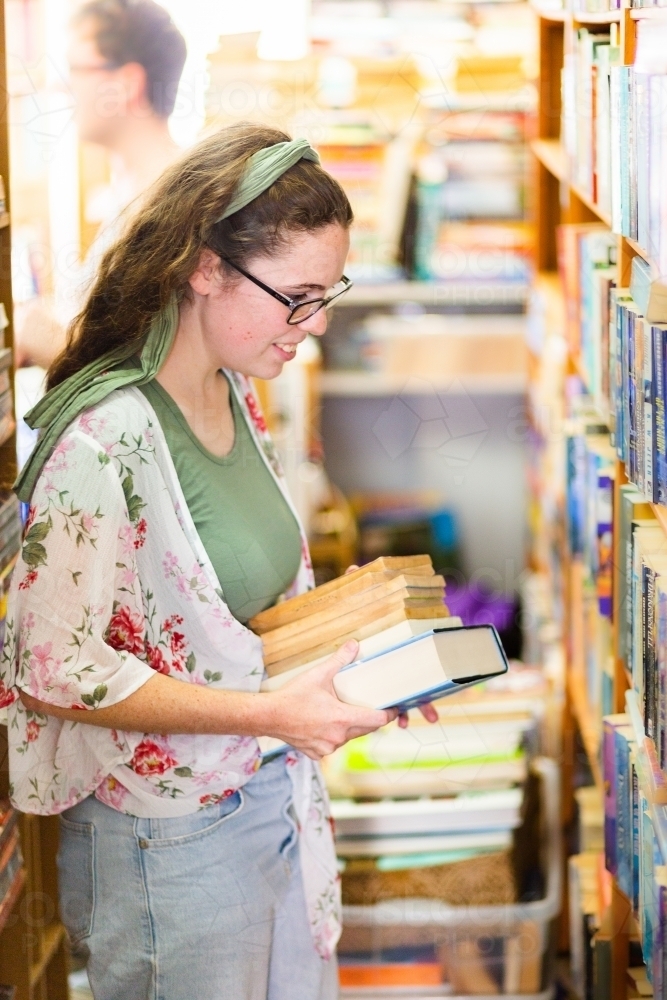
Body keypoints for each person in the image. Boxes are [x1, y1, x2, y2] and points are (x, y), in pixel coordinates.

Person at [1, 123, 437, 1000]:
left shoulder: (238, 393)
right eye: (298, 298)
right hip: (172, 847)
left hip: (268, 803)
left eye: (327, 295)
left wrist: (360, 673)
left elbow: (236, 616)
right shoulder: (106, 440)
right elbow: (49, 669)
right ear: (207, 268)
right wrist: (273, 713)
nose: (312, 327)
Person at [15, 0, 187, 369]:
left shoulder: (168, 206)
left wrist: (50, 342)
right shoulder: (134, 192)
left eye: (76, 69)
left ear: (126, 84)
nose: (62, 87)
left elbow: (143, 375)